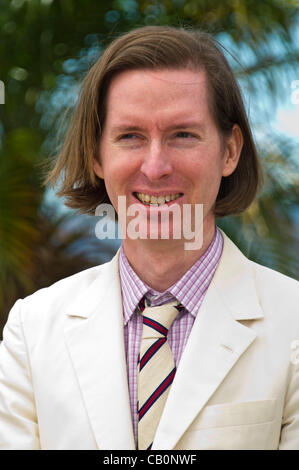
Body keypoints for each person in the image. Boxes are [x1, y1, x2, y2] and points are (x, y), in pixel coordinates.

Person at [0, 25, 298, 451]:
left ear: (230, 151)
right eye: (130, 137)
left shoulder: (294, 324)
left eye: (183, 135)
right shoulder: (32, 331)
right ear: (96, 155)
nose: (155, 167)